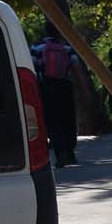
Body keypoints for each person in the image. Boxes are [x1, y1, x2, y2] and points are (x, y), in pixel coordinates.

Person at [31, 29, 80, 167]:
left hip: (47, 88)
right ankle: (70, 153)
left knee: (53, 122)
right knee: (68, 120)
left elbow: (32, 67)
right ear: (59, 32)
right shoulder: (67, 48)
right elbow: (76, 67)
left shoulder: (36, 47)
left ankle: (60, 154)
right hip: (65, 86)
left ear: (45, 31)